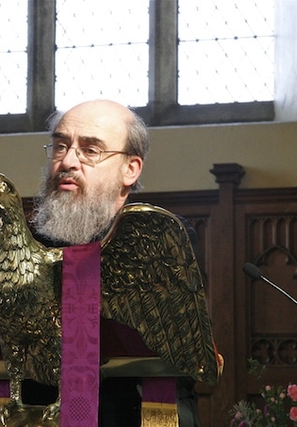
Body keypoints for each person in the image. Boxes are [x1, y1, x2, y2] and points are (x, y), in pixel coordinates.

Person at [27, 99, 201, 427]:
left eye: (90, 150)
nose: (68, 161)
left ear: (130, 169)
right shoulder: (24, 245)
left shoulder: (160, 240)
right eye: (61, 146)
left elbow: (169, 353)